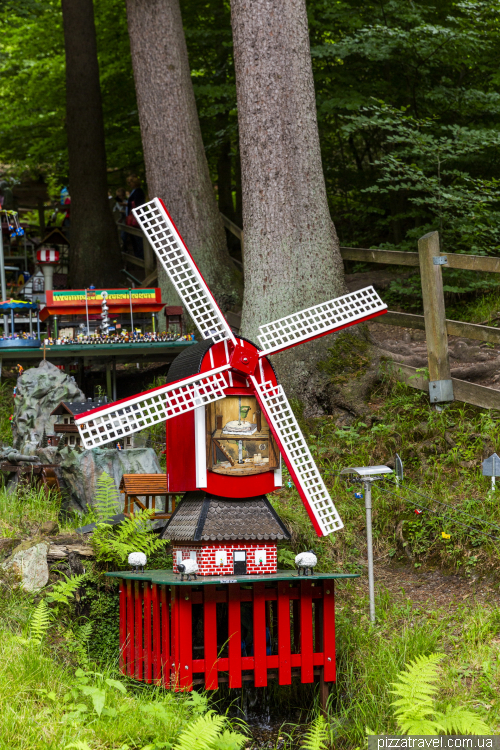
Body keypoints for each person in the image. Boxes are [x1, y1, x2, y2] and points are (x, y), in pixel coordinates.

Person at [126, 175, 145, 258]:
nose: (129, 184)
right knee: (134, 237)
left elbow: (137, 203)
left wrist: (127, 204)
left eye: (130, 182)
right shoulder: (134, 191)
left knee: (138, 237)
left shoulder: (138, 191)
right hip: (133, 216)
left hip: (137, 217)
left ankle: (141, 255)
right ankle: (138, 254)